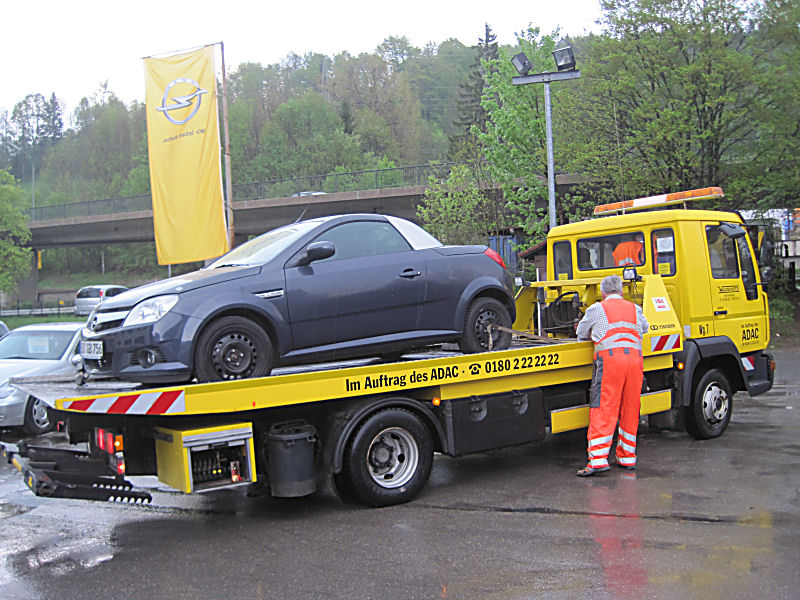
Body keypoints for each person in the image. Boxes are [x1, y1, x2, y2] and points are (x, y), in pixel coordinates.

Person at [574, 275, 648, 477]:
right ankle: (627, 458)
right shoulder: (635, 308)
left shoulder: (597, 309)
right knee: (630, 408)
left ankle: (597, 460)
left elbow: (581, 332)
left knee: (604, 407)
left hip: (610, 361)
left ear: (603, 292)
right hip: (635, 361)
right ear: (621, 292)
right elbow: (645, 328)